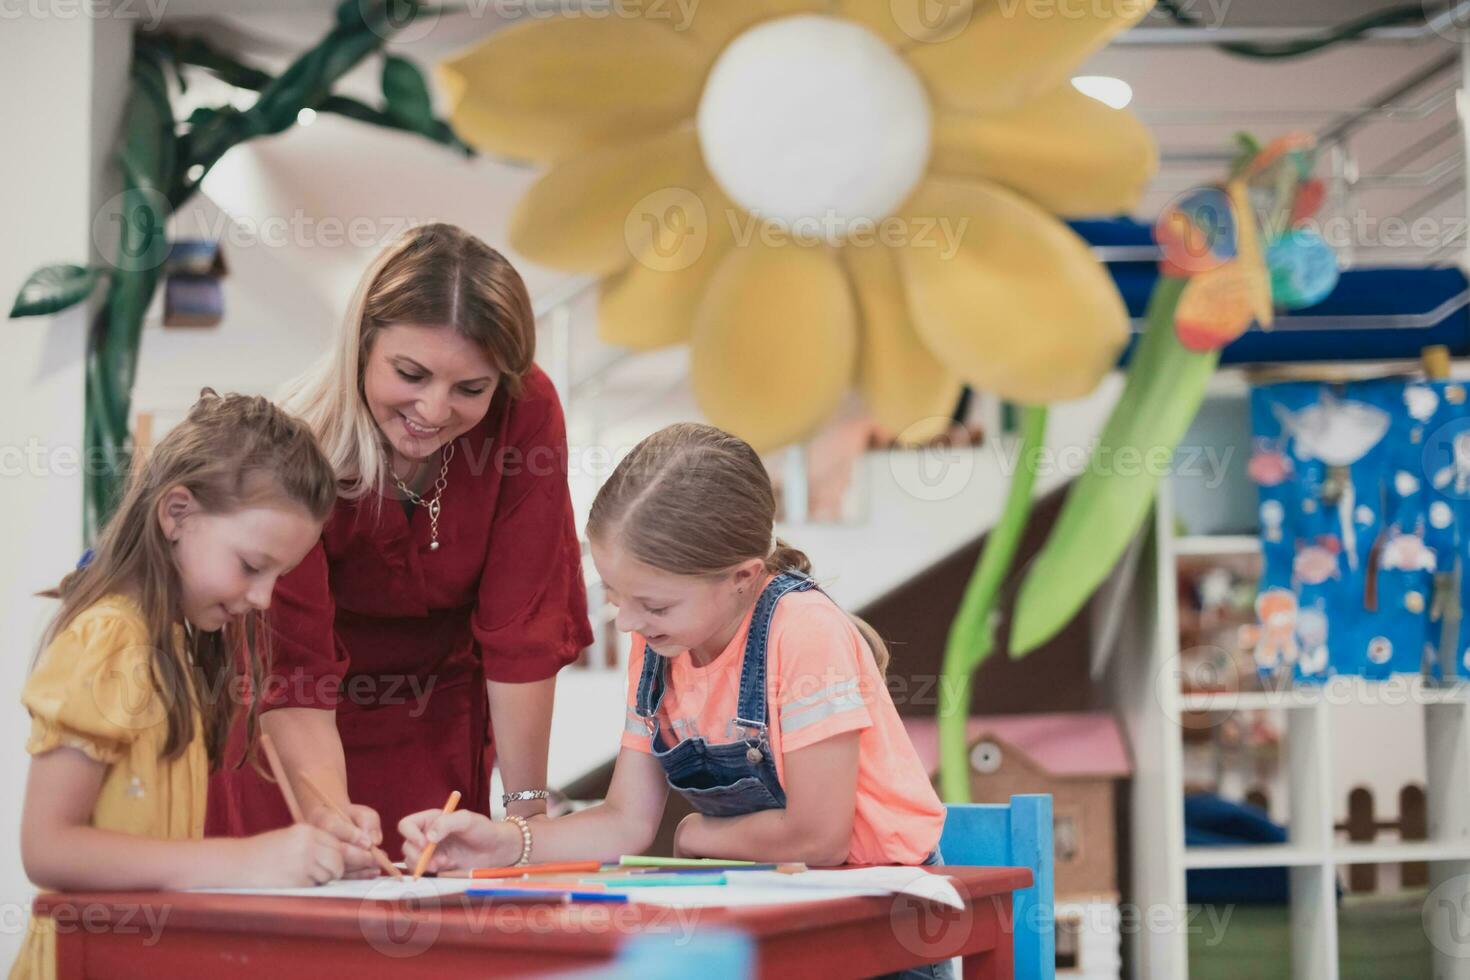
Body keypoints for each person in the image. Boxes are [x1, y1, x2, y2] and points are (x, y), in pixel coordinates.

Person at [13, 392, 356, 980]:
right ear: (176, 514)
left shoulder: (180, 645)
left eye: (279, 576)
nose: (264, 598)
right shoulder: (108, 640)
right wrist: (243, 860)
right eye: (252, 566)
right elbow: (48, 849)